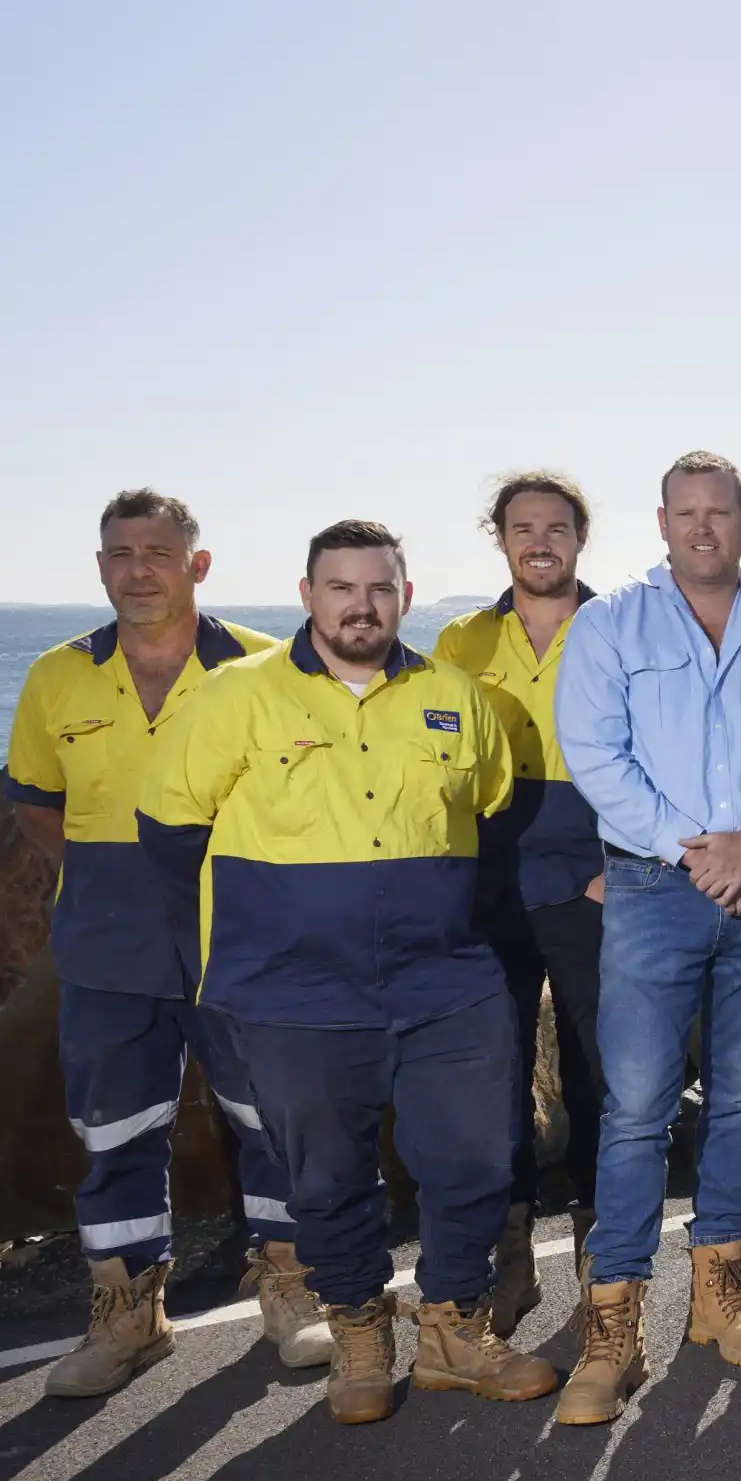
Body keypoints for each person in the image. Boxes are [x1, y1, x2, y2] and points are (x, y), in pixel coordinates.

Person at [139, 519, 555, 1424]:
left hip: (447, 981)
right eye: (341, 588)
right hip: (295, 993)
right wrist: (256, 940)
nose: (361, 606)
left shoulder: (457, 697)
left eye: (379, 588)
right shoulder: (233, 697)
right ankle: (361, 1331)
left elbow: (490, 815)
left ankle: (454, 1334)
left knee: (475, 1161)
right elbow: (169, 834)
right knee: (325, 1178)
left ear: (403, 596)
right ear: (307, 595)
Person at [552, 452, 741, 1423]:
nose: (702, 528)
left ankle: (719, 1295)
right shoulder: (610, 625)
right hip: (653, 887)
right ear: (662, 520)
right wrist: (697, 854)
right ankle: (615, 1327)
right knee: (637, 1107)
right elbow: (596, 753)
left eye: (718, 513)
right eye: (685, 514)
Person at [4, 491, 319, 1398]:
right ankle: (129, 1315)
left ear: (198, 564)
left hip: (239, 934)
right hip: (107, 943)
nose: (138, 569)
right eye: (119, 554)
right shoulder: (55, 676)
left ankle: (291, 1290)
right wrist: (113, 881)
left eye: (157, 552)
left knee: (271, 1119)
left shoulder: (264, 667)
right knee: (116, 1130)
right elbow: (34, 801)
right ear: (100, 566)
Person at [433, 470, 608, 1335]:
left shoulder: (621, 628)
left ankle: (601, 1259)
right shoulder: (461, 641)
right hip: (493, 872)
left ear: (581, 538)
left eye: (556, 527)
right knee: (495, 1067)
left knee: (596, 1066)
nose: (540, 541)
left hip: (594, 871)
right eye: (522, 528)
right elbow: (431, 766)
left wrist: (631, 861)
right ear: (500, 539)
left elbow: (666, 747)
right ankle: (512, 1256)